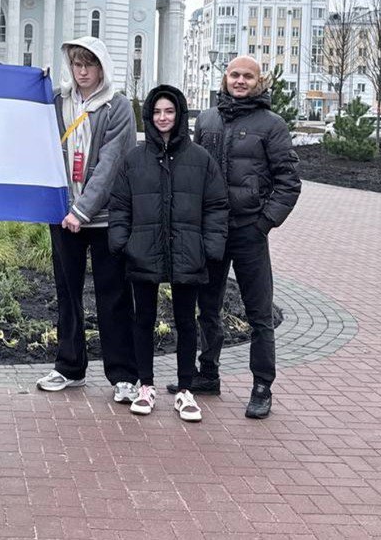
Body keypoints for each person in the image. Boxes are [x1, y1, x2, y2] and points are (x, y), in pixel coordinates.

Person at [184, 55, 301, 419]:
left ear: (259, 81)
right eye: (234, 74)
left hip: (250, 231)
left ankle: (262, 385)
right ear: (225, 78)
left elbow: (288, 181)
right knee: (208, 307)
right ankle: (208, 374)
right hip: (212, 230)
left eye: (247, 76)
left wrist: (264, 223)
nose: (239, 81)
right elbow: (194, 171)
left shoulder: (272, 125)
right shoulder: (207, 119)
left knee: (258, 313)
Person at [109, 85, 228, 421]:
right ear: (149, 115)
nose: (163, 118)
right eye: (157, 112)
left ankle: (186, 390)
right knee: (143, 319)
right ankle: (144, 386)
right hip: (144, 251)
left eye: (169, 111)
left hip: (187, 251)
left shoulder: (200, 159)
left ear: (179, 115)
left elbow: (216, 204)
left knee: (185, 321)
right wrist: (122, 242)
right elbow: (120, 204)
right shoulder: (134, 159)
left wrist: (210, 247)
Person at [36, 37, 139, 403]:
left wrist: (83, 211)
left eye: (89, 65)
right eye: (77, 64)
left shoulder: (117, 106)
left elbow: (111, 164)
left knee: (113, 296)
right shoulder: (58, 101)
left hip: (104, 219)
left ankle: (124, 375)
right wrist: (35, 87)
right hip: (63, 216)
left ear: (102, 68)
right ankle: (69, 366)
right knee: (67, 293)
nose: (82, 72)